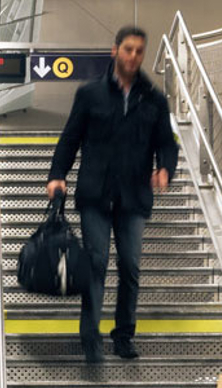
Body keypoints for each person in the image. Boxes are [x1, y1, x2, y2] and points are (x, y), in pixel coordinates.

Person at [45, 26, 179, 363]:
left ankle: (123, 335)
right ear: (114, 51)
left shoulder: (155, 99)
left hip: (133, 197)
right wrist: (57, 175)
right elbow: (70, 138)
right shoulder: (90, 95)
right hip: (95, 195)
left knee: (131, 266)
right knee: (96, 263)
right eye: (128, 49)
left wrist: (165, 167)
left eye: (139, 51)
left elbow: (166, 142)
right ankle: (91, 336)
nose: (133, 57)